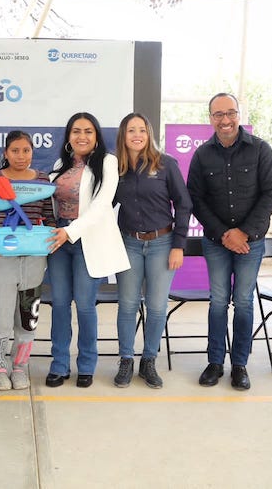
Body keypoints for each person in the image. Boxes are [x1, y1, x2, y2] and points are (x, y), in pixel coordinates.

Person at [187, 93, 272, 391]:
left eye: (230, 113)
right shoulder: (202, 155)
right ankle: (215, 362)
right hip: (216, 242)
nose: (225, 120)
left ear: (239, 114)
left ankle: (239, 364)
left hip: (250, 243)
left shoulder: (261, 150)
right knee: (217, 301)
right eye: (218, 114)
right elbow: (196, 199)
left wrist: (244, 233)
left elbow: (271, 194)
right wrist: (223, 234)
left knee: (242, 301)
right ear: (210, 118)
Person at [45, 112, 130, 388]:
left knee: (84, 306)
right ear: (69, 136)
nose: (82, 136)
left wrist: (71, 231)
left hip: (86, 241)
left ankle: (86, 365)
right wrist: (57, 230)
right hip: (58, 240)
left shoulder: (108, 162)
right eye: (76, 131)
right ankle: (59, 364)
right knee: (59, 305)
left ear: (96, 136)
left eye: (88, 131)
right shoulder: (61, 163)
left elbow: (102, 205)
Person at [113, 113, 192, 389]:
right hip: (129, 244)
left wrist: (178, 246)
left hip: (162, 243)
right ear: (123, 135)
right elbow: (103, 204)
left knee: (157, 307)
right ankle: (126, 360)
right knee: (127, 305)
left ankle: (149, 360)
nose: (137, 135)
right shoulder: (116, 168)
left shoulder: (166, 164)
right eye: (131, 130)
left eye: (142, 130)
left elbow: (183, 204)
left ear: (149, 134)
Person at [0, 131, 55, 391]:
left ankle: (20, 366)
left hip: (34, 261)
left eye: (26, 150)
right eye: (15, 151)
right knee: (0, 318)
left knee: (27, 318)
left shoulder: (43, 180)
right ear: (5, 153)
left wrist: (51, 240)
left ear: (32, 151)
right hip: (2, 261)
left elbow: (49, 217)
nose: (21, 156)